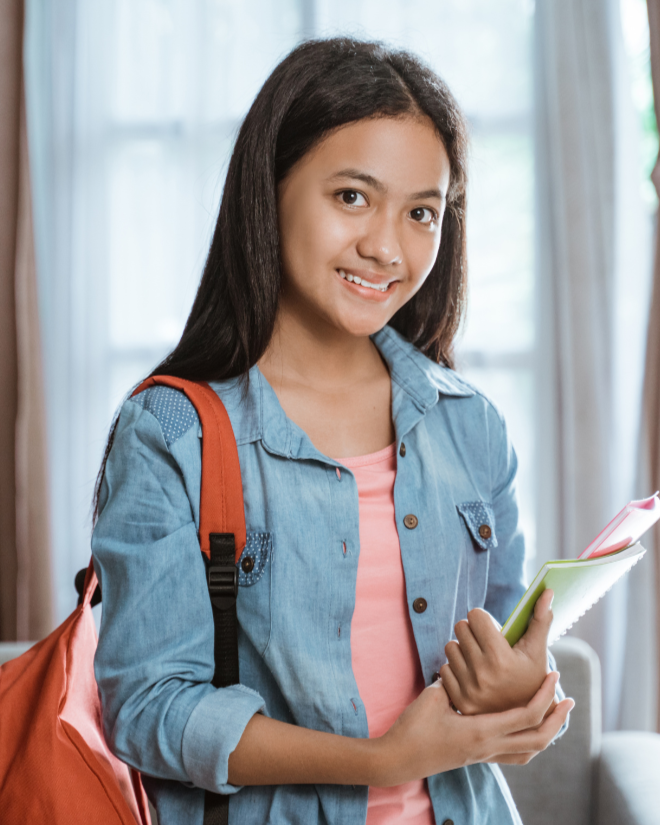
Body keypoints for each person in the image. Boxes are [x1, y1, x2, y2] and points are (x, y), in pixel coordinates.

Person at [91, 37, 573, 825]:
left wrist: (522, 695)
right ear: (270, 188)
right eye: (352, 196)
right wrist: (384, 761)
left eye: (421, 212)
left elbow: (507, 640)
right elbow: (149, 709)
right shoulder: (174, 433)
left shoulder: (470, 424)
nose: (386, 246)